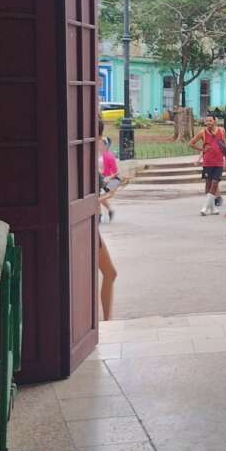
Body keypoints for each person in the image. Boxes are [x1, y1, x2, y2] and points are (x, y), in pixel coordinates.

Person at [96, 122, 118, 321]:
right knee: (110, 273)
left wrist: (117, 182)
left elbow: (106, 188)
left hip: (90, 228)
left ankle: (107, 320)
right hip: (87, 229)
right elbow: (105, 192)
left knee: (110, 274)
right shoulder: (87, 163)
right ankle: (106, 320)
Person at [188, 115, 226, 216]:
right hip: (208, 162)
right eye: (207, 121)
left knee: (215, 183)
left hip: (218, 162)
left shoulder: (221, 130)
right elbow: (191, 143)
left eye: (210, 120)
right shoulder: (202, 132)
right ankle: (213, 208)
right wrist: (202, 150)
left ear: (215, 121)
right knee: (208, 184)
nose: (208, 122)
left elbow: (224, 146)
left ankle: (205, 207)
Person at [97, 122, 122, 221]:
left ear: (106, 146)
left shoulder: (109, 157)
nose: (99, 146)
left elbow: (116, 172)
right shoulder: (101, 156)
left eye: (101, 144)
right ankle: (108, 211)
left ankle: (101, 213)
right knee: (99, 197)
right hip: (106, 179)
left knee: (102, 197)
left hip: (114, 179)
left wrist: (108, 178)